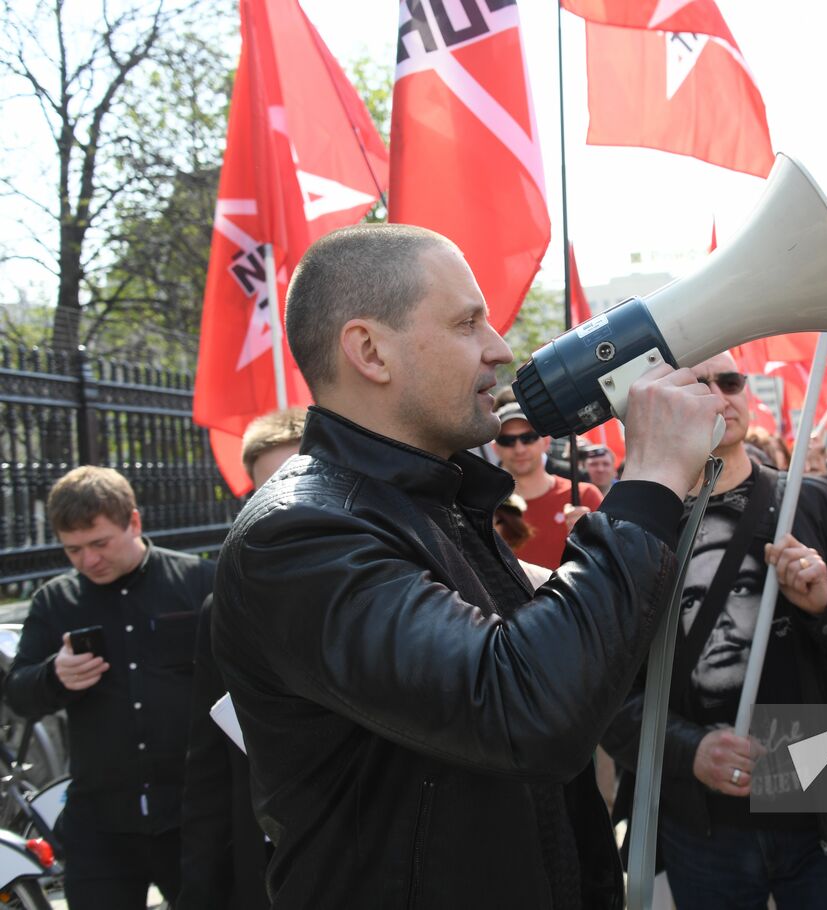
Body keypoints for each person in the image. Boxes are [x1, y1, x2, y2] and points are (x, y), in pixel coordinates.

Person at [211, 223, 724, 908]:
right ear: (369, 350)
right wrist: (652, 477)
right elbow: (525, 710)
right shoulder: (301, 533)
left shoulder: (431, 506)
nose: (500, 349)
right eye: (467, 323)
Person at [602, 351, 827, 910]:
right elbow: (601, 692)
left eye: (730, 380)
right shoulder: (627, 532)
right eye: (696, 384)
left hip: (821, 801)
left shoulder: (821, 505)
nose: (718, 395)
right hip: (702, 822)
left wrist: (826, 602)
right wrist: (690, 749)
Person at [7, 466, 216, 909]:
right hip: (100, 821)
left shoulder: (199, 583)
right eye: (73, 550)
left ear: (134, 522)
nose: (88, 560)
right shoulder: (54, 601)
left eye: (99, 543)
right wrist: (54, 675)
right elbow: (19, 695)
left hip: (191, 814)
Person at [181, 408, 307, 910]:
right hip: (270, 868)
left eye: (299, 480)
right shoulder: (225, 607)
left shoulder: (393, 589)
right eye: (264, 493)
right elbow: (208, 766)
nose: (283, 506)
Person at [493, 400, 604, 570]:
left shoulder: (585, 496)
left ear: (546, 442)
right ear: (496, 448)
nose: (519, 449)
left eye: (528, 438)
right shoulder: (483, 507)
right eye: (507, 440)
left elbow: (612, 564)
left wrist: (592, 536)